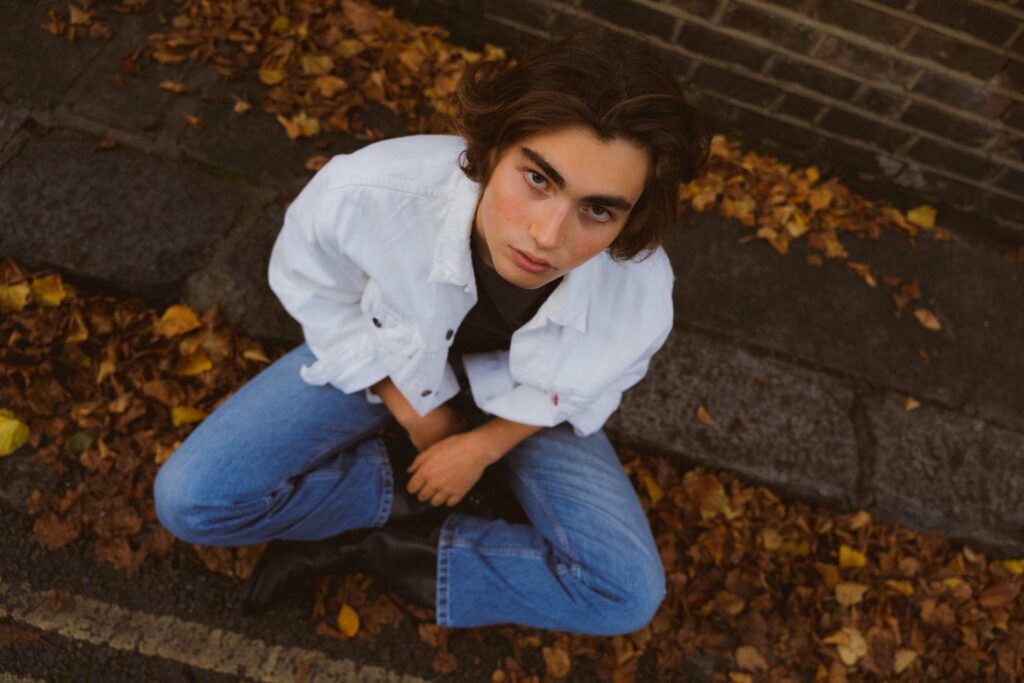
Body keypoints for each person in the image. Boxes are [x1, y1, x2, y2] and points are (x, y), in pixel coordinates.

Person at [153, 27, 710, 636]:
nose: (549, 236)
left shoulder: (640, 289)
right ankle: (393, 493)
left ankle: (381, 545)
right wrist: (417, 412)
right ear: (495, 146)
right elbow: (314, 287)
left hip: (524, 400)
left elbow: (590, 385)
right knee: (193, 501)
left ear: (632, 214)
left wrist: (482, 448)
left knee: (624, 596)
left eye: (597, 209)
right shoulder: (371, 192)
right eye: (538, 180)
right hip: (386, 360)